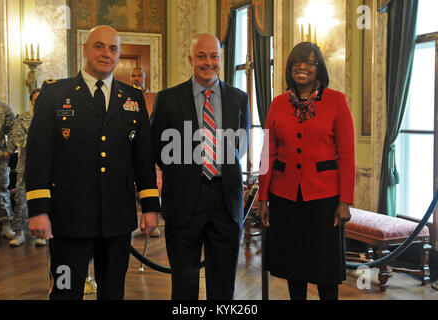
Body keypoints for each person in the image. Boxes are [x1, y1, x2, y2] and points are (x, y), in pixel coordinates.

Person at [25, 25, 160, 300]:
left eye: (113, 49)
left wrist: (150, 207)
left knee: (113, 292)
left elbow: (143, 160)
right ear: (85, 49)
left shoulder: (133, 98)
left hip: (117, 219)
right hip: (68, 220)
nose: (106, 53)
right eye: (99, 46)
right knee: (64, 292)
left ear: (119, 54)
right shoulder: (54, 94)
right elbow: (38, 156)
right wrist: (38, 210)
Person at [151, 33, 251, 300]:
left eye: (214, 56)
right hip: (183, 201)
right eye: (202, 56)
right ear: (190, 59)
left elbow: (241, 144)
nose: (209, 62)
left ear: (221, 58)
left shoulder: (239, 99)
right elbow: (158, 148)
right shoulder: (168, 99)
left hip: (226, 201)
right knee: (184, 284)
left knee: (223, 283)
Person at [258, 42, 355, 301]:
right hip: (284, 197)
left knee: (326, 269)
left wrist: (345, 201)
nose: (302, 67)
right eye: (297, 62)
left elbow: (347, 155)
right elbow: (267, 153)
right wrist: (263, 198)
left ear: (318, 68)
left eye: (310, 62)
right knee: (294, 266)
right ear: (289, 68)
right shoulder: (278, 103)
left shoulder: (336, 101)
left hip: (324, 199)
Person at [7, 88, 46, 247]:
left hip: (45, 165)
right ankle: (19, 232)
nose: (38, 103)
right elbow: (18, 138)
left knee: (43, 199)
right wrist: (38, 143)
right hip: (25, 164)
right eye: (35, 100)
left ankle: (41, 234)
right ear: (31, 101)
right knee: (20, 198)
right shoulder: (22, 118)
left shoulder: (50, 117)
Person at [129, 66, 159, 238]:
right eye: (133, 76)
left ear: (145, 78)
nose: (136, 79)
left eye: (139, 76)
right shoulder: (126, 96)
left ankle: (150, 218)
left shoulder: (152, 98)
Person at [0, 78, 16, 239]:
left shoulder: (2, 108)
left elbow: (14, 130)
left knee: (1, 192)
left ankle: (6, 224)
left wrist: (9, 151)